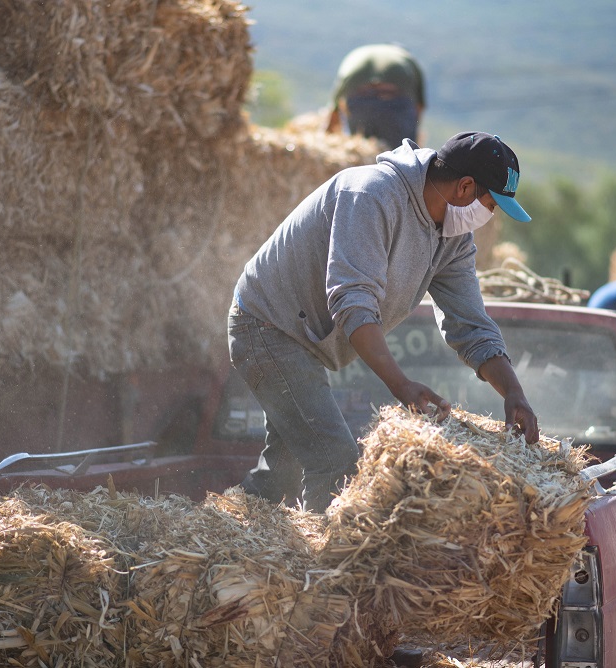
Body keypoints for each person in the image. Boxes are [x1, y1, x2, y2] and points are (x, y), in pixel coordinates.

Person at [228, 131, 539, 517]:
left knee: (285, 470)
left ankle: (226, 528)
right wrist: (401, 385)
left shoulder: (454, 238)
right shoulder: (372, 196)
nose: (489, 216)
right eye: (491, 204)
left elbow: (471, 324)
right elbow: (352, 302)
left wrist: (513, 392)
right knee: (336, 460)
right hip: (266, 325)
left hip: (302, 337)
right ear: (465, 187)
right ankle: (329, 566)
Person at [325, 43, 425, 148]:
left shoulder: (357, 55)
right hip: (395, 101)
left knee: (360, 149)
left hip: (358, 98)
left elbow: (335, 109)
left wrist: (326, 141)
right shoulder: (407, 58)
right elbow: (419, 107)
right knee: (401, 153)